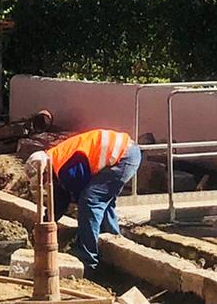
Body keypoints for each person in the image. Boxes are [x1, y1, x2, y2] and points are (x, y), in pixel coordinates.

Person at [25, 113, 141, 276]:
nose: (44, 184)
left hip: (123, 156)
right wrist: (45, 222)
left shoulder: (65, 167)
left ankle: (87, 258)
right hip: (123, 152)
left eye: (42, 180)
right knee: (100, 199)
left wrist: (49, 226)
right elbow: (60, 199)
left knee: (90, 200)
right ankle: (111, 238)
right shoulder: (56, 161)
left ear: (44, 172)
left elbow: (72, 197)